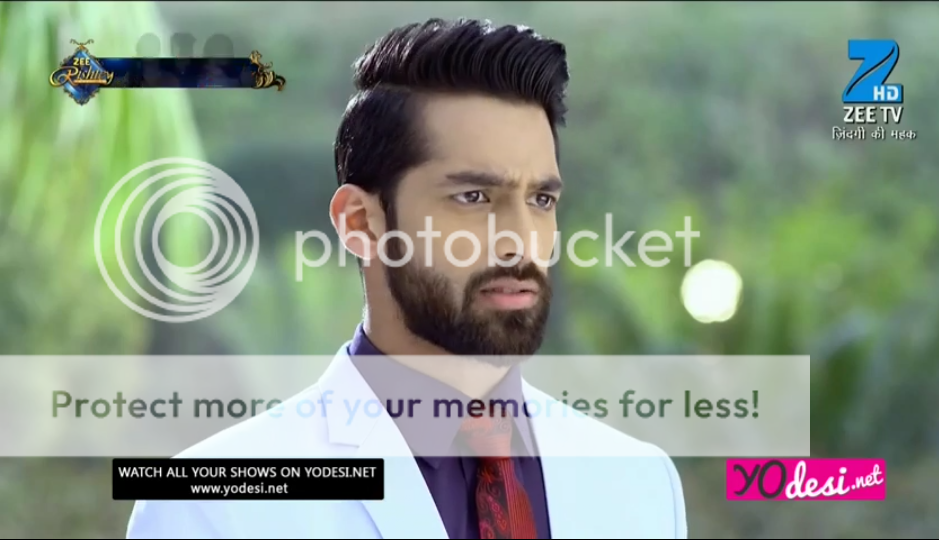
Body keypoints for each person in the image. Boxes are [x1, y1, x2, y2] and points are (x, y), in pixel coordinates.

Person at [126, 18, 687, 539]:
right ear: (359, 222)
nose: (521, 241)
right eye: (473, 196)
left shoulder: (639, 483)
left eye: (541, 199)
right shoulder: (215, 506)